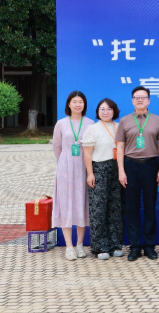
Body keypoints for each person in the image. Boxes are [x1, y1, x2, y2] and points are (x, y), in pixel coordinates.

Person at [116, 86, 159, 261]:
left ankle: (150, 245)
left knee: (151, 206)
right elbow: (120, 146)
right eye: (136, 97)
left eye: (143, 97)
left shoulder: (158, 120)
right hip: (130, 165)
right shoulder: (125, 121)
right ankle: (135, 246)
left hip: (151, 165)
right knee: (132, 207)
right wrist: (121, 170)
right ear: (132, 100)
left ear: (149, 100)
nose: (140, 100)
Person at [52, 91, 95, 260]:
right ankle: (69, 246)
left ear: (84, 104)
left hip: (84, 167)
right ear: (68, 104)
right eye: (74, 102)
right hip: (66, 168)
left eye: (81, 102)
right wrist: (65, 162)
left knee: (82, 203)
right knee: (66, 204)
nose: (78, 105)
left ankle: (80, 244)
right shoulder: (61, 124)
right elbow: (57, 147)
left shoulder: (90, 123)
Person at [82, 98, 125, 260]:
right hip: (99, 169)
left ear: (114, 111)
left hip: (117, 169)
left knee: (116, 208)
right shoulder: (92, 129)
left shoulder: (119, 127)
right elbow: (87, 153)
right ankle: (100, 247)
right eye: (102, 109)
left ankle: (115, 245)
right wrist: (90, 173)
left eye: (109, 109)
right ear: (97, 111)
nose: (105, 112)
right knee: (99, 209)